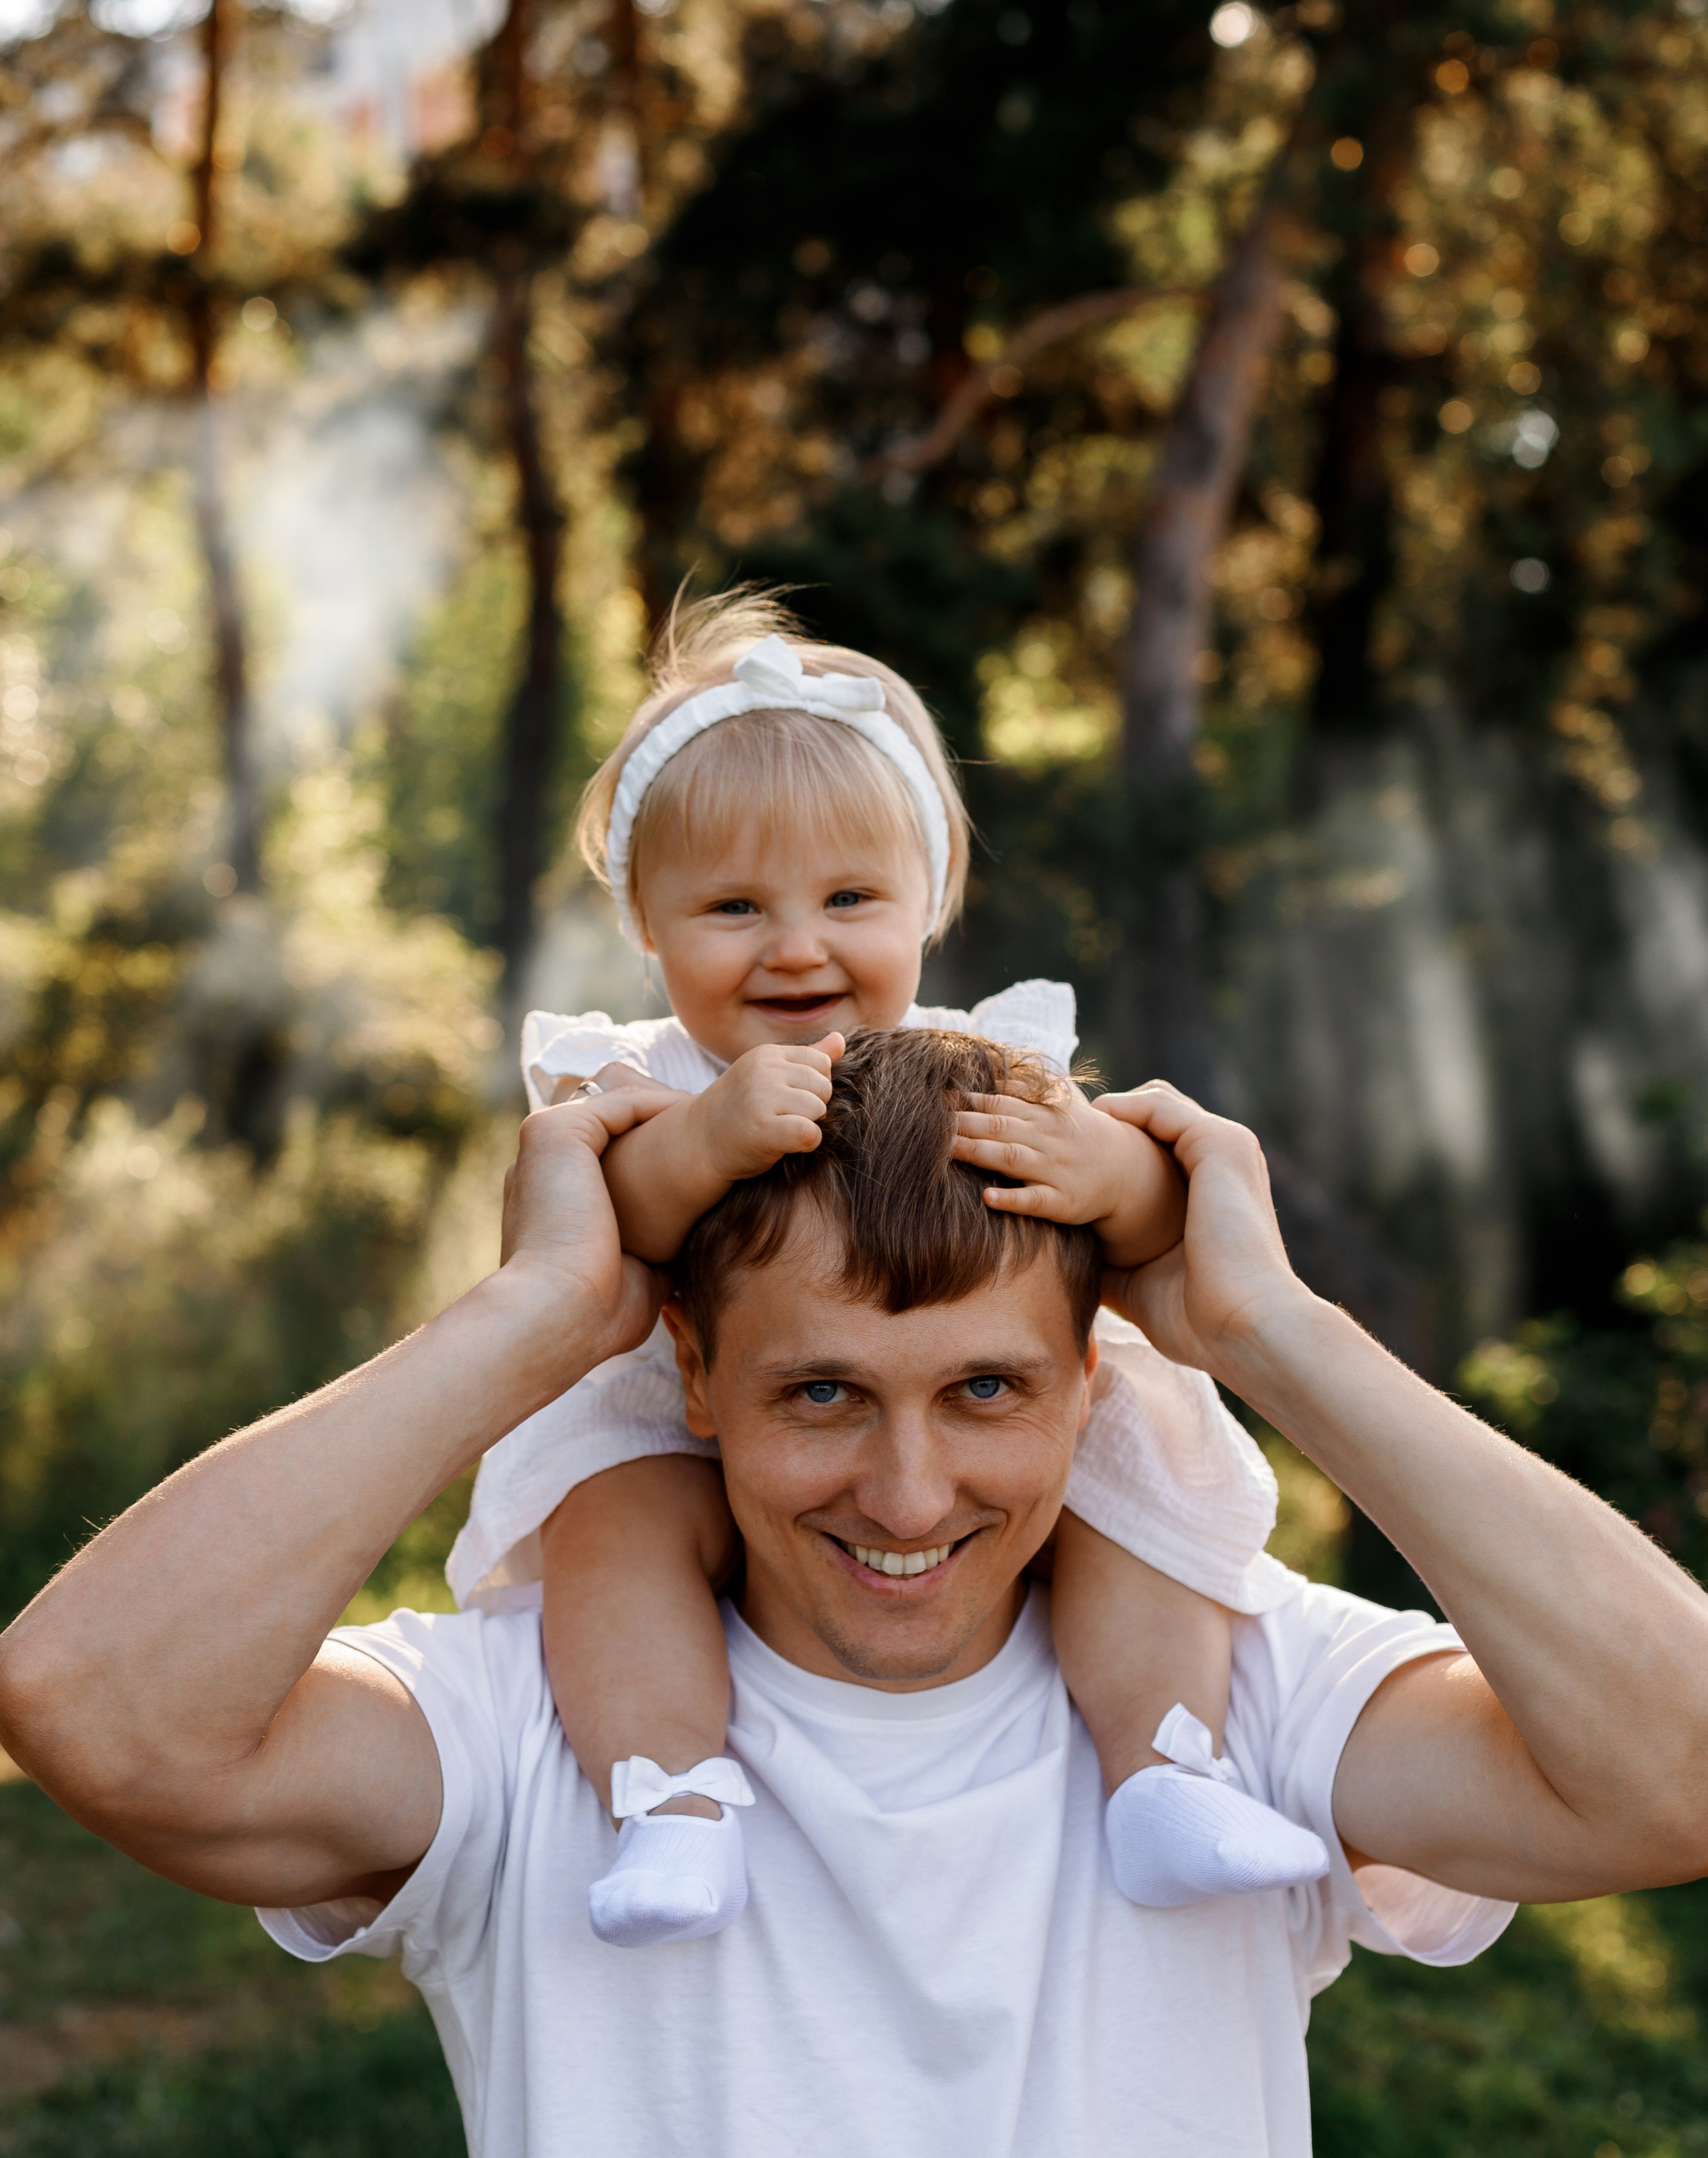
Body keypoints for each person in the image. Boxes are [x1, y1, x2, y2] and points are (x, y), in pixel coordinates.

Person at [0, 1029, 1708, 2158]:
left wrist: (1267, 1332)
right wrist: (533, 1311)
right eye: (822, 1395)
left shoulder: (1237, 1697)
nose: (904, 1495)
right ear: (695, 1376)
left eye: (982, 1393)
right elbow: (95, 1707)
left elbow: (1678, 1766)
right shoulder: (531, 1723)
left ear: (1091, 1387)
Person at [455, 586, 1323, 1947]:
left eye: (849, 897)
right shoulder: (642, 1079)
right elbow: (603, 1216)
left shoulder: (987, 1059)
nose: (797, 945)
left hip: (959, 1401)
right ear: (647, 923)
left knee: (1133, 1498)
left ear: (927, 904)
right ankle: (671, 1796)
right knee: (611, 1532)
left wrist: (1113, 1177)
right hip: (659, 1409)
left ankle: (1165, 1769)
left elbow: (1153, 1217)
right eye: (734, 905)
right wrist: (700, 1144)